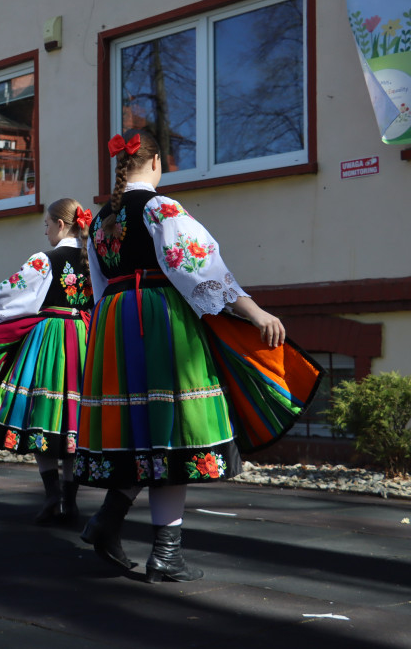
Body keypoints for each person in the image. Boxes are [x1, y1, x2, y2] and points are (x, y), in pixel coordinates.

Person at [77, 130, 318, 583]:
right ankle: (164, 553)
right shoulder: (160, 208)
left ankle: (108, 522)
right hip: (158, 320)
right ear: (156, 163)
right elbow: (199, 269)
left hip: (115, 322)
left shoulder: (100, 220)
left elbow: (99, 286)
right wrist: (254, 311)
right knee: (173, 431)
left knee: (140, 432)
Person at [0, 199, 94, 526]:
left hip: (51, 339)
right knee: (73, 419)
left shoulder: (46, 260)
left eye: (47, 224)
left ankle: (53, 496)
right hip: (85, 338)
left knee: (42, 413)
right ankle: (70, 501)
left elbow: (8, 292)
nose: (45, 230)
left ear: (60, 224)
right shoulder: (93, 259)